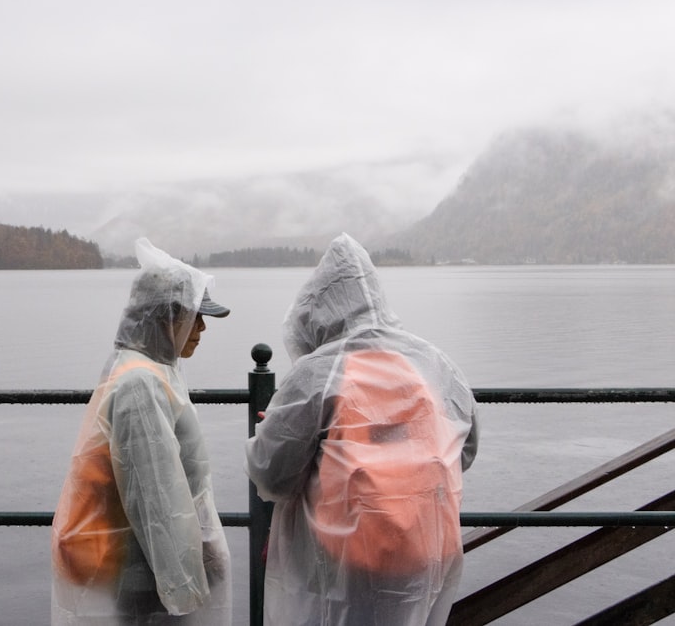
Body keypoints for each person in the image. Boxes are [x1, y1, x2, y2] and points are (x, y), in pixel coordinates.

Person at [245, 233, 480, 626]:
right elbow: (465, 451)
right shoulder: (435, 364)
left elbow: (271, 475)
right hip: (422, 557)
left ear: (315, 315)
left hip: (340, 564)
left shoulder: (315, 375)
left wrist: (273, 434)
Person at [51, 237, 233, 625]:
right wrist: (185, 589)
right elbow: (154, 497)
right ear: (165, 317)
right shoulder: (141, 384)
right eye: (194, 315)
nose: (202, 326)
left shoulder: (150, 370)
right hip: (146, 578)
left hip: (147, 570)